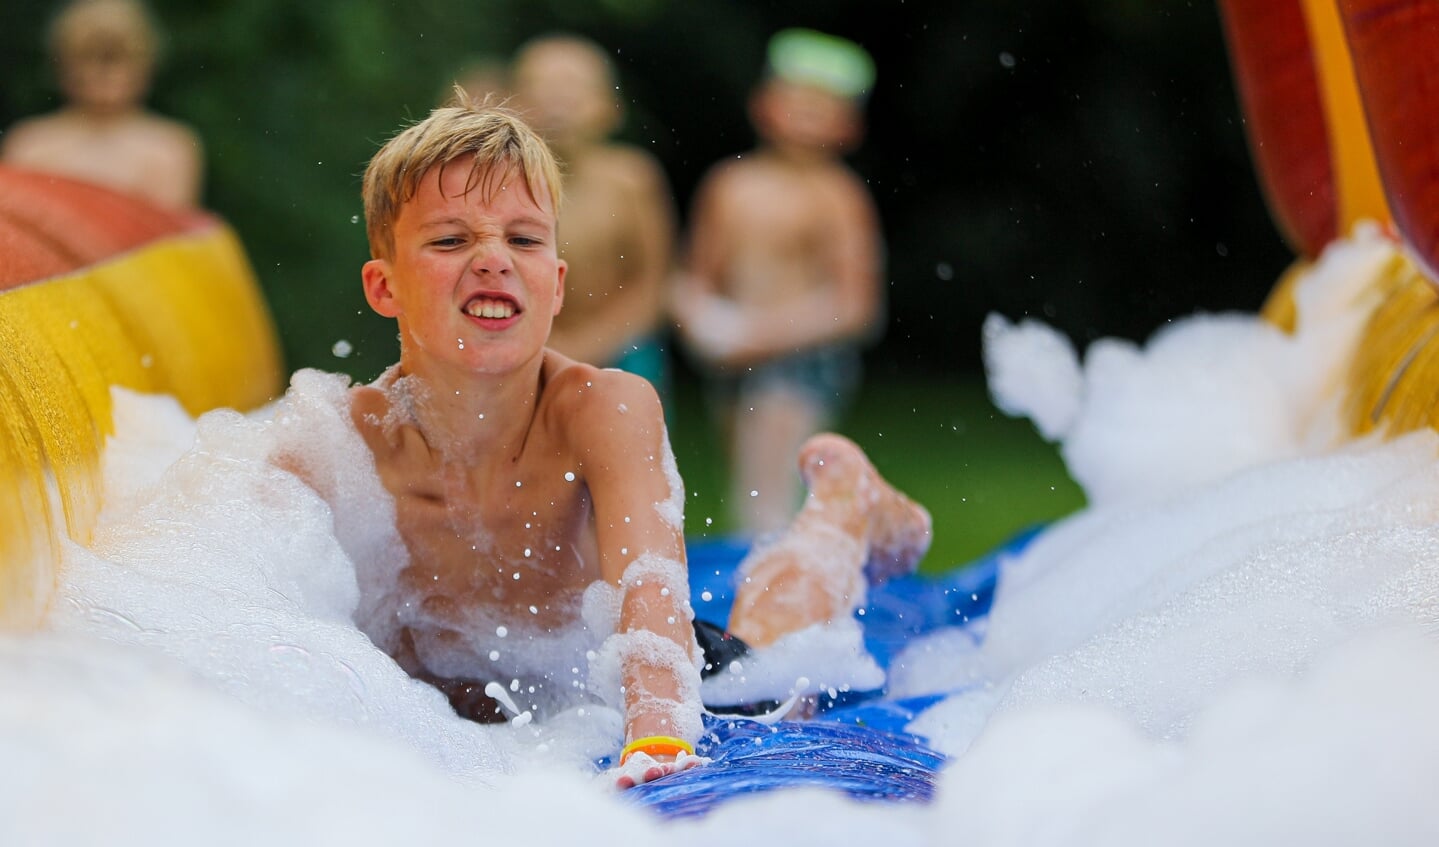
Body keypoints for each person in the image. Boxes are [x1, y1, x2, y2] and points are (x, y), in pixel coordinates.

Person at [279, 95, 931, 788]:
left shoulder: (603, 408)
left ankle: (843, 511)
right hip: (475, 713)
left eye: (524, 240)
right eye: (450, 240)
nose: (493, 259)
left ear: (555, 286)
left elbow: (650, 586)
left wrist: (654, 733)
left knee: (785, 658)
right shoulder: (334, 443)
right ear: (384, 287)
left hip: (614, 683)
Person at [672, 29, 884, 538]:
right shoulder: (729, 185)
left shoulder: (838, 197)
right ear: (763, 105)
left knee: (766, 488)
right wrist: (702, 320)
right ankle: (769, 566)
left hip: (799, 360)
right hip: (733, 352)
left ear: (849, 126)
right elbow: (693, 277)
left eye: (822, 107)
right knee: (745, 469)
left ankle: (764, 575)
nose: (806, 117)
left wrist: (760, 336)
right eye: (796, 103)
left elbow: (856, 305)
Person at [510, 34, 678, 405]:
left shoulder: (633, 180)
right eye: (542, 90)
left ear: (611, 108)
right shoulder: (499, 186)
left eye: (574, 91)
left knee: (629, 419)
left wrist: (592, 344)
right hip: (523, 340)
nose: (558, 104)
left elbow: (653, 282)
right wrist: (546, 344)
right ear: (513, 108)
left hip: (620, 345)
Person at [1, 0, 203, 210]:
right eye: (88, 57)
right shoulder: (29, 145)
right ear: (61, 64)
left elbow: (166, 234)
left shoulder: (170, 148)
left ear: (147, 63)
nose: (104, 73)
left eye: (116, 58)